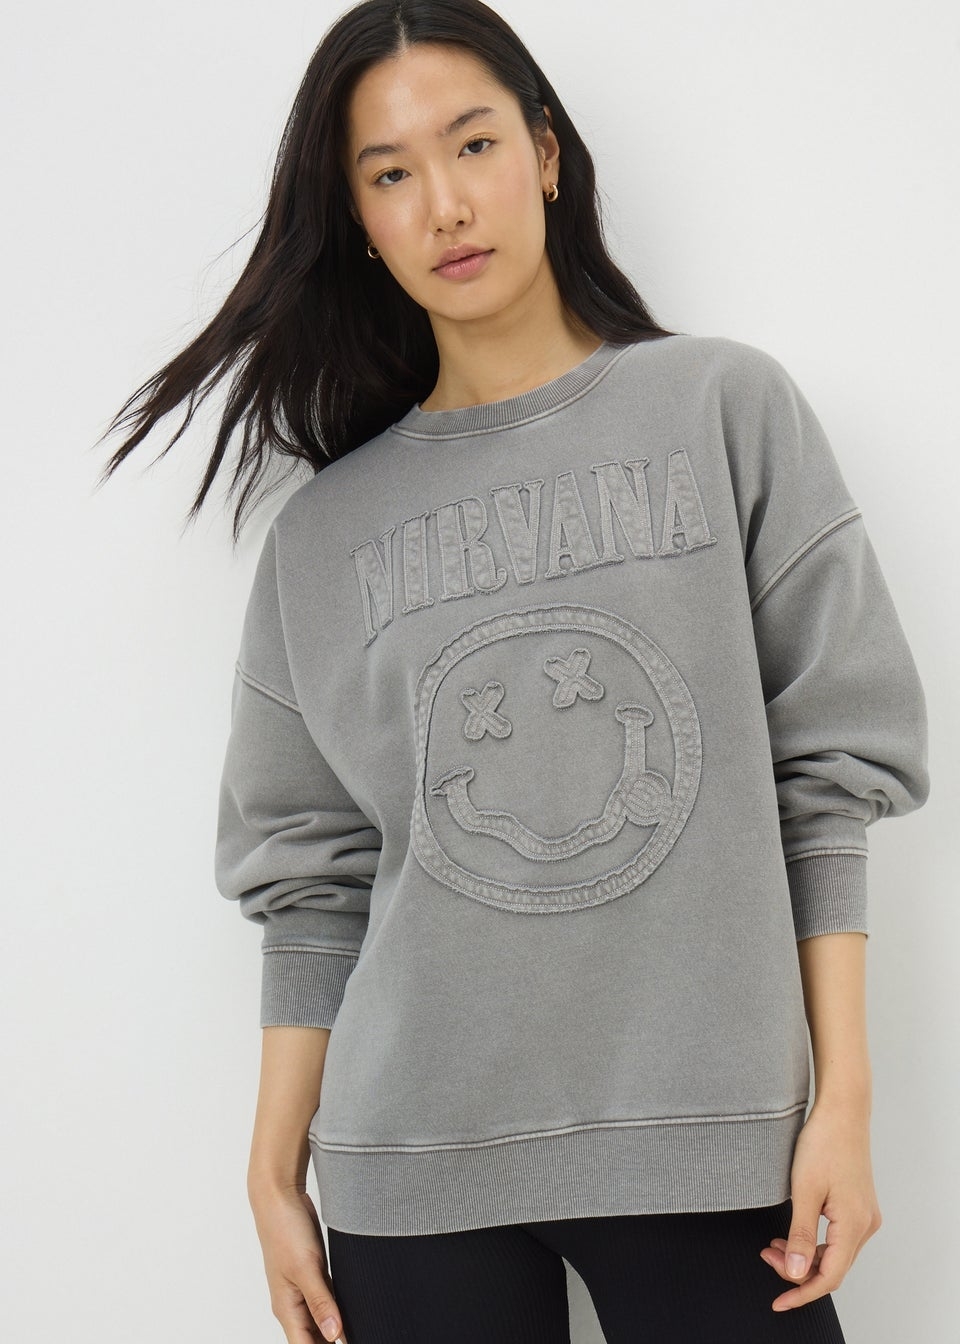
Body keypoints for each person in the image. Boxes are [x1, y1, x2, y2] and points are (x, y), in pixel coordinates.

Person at [97, 2, 930, 1341]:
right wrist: (270, 1172)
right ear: (360, 219)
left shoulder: (723, 409)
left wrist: (844, 1103)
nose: (445, 204)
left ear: (545, 154)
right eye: (391, 172)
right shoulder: (325, 537)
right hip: (410, 1163)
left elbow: (827, 774)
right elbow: (311, 881)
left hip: (710, 1137)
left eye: (473, 143)